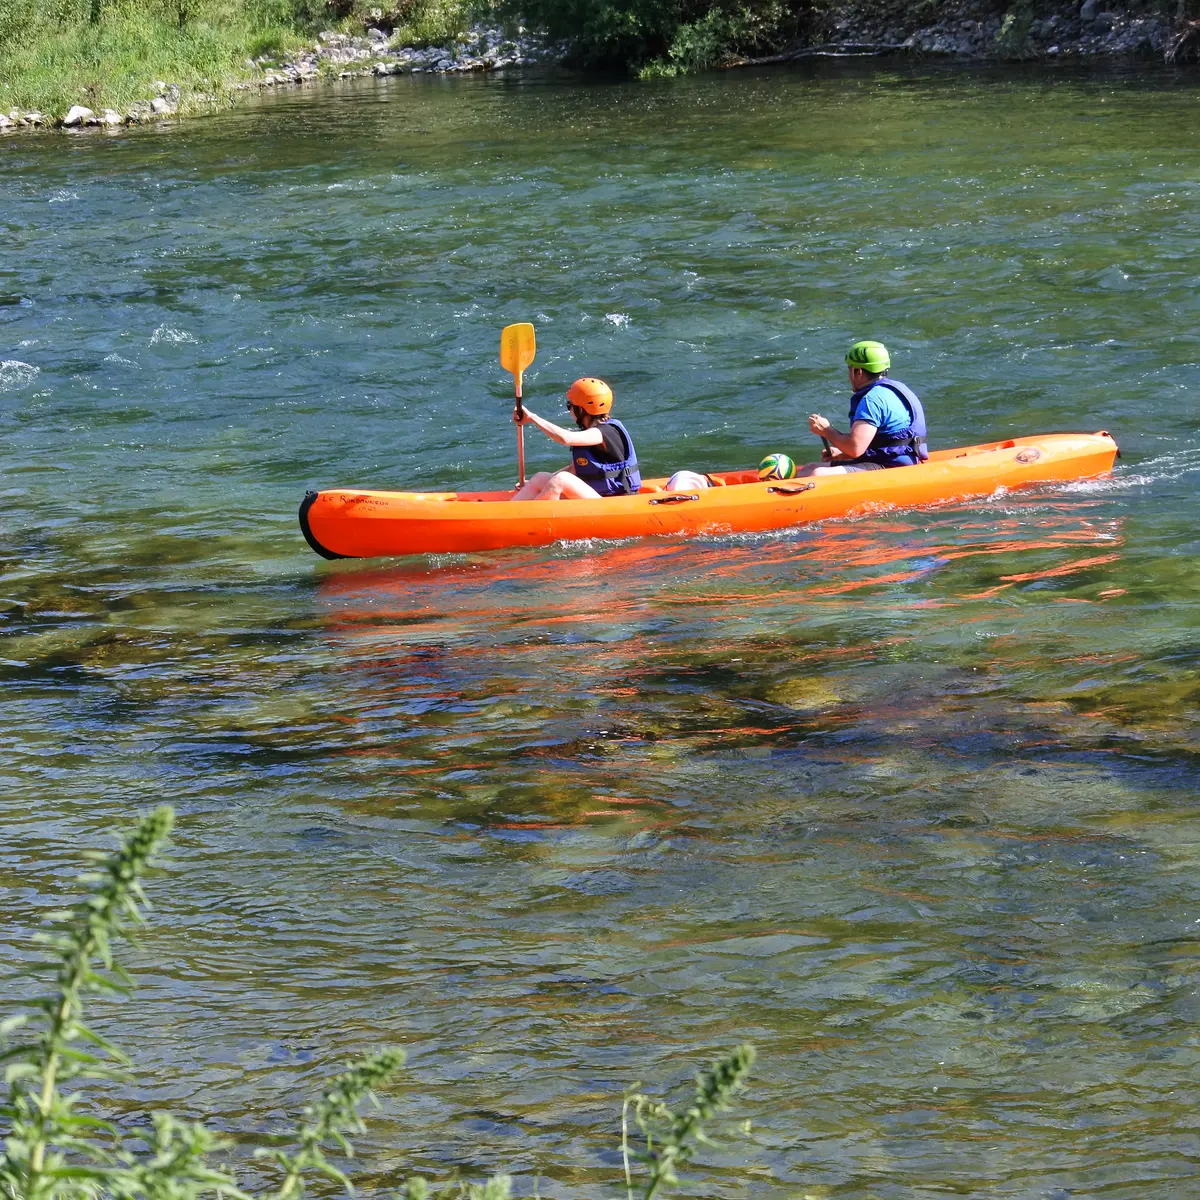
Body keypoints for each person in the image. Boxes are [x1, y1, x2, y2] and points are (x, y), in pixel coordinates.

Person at [796, 341, 928, 477]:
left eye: (849, 369)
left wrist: (826, 430)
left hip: (891, 466)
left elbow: (855, 448)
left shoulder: (872, 400)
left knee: (817, 473)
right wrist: (843, 454)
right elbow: (883, 442)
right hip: (899, 459)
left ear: (857, 372)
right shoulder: (896, 389)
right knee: (808, 468)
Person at [510, 377, 641, 501]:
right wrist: (537, 483)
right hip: (598, 496)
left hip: (618, 500)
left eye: (570, 406)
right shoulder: (590, 433)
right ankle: (510, 515)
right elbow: (574, 469)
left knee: (561, 480)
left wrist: (532, 418)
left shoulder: (605, 432)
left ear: (581, 409)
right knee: (540, 478)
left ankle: (534, 520)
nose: (569, 410)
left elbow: (566, 438)